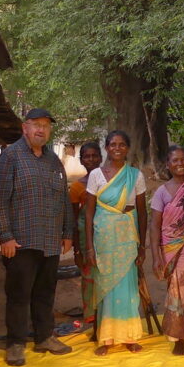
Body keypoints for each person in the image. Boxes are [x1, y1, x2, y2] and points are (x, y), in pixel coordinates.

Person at [0, 108, 74, 367]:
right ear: (24, 127)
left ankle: (44, 336)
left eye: (46, 125)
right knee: (18, 294)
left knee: (45, 292)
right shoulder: (9, 158)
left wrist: (68, 232)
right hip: (20, 241)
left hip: (49, 239)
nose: (41, 129)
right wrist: (5, 236)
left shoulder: (53, 160)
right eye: (36, 124)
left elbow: (64, 199)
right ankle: (15, 343)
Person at [84, 130, 148, 356]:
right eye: (113, 144)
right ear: (107, 148)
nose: (117, 148)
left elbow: (142, 212)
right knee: (105, 286)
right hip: (103, 238)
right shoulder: (96, 176)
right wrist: (89, 247)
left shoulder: (135, 176)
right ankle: (106, 338)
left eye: (122, 144)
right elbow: (89, 213)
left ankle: (129, 336)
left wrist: (142, 246)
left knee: (127, 285)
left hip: (127, 238)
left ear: (128, 148)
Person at [149, 145, 184, 355]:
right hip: (171, 248)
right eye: (174, 161)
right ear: (168, 165)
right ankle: (178, 338)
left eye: (183, 159)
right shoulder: (161, 191)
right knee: (177, 290)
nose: (180, 164)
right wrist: (156, 255)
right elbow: (155, 225)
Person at [70, 141, 103, 330]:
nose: (90, 159)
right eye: (86, 156)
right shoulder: (77, 188)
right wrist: (77, 250)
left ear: (100, 157)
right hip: (85, 240)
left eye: (94, 156)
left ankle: (107, 314)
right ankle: (90, 316)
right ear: (81, 160)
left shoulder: (108, 182)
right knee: (89, 278)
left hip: (107, 238)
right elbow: (75, 220)